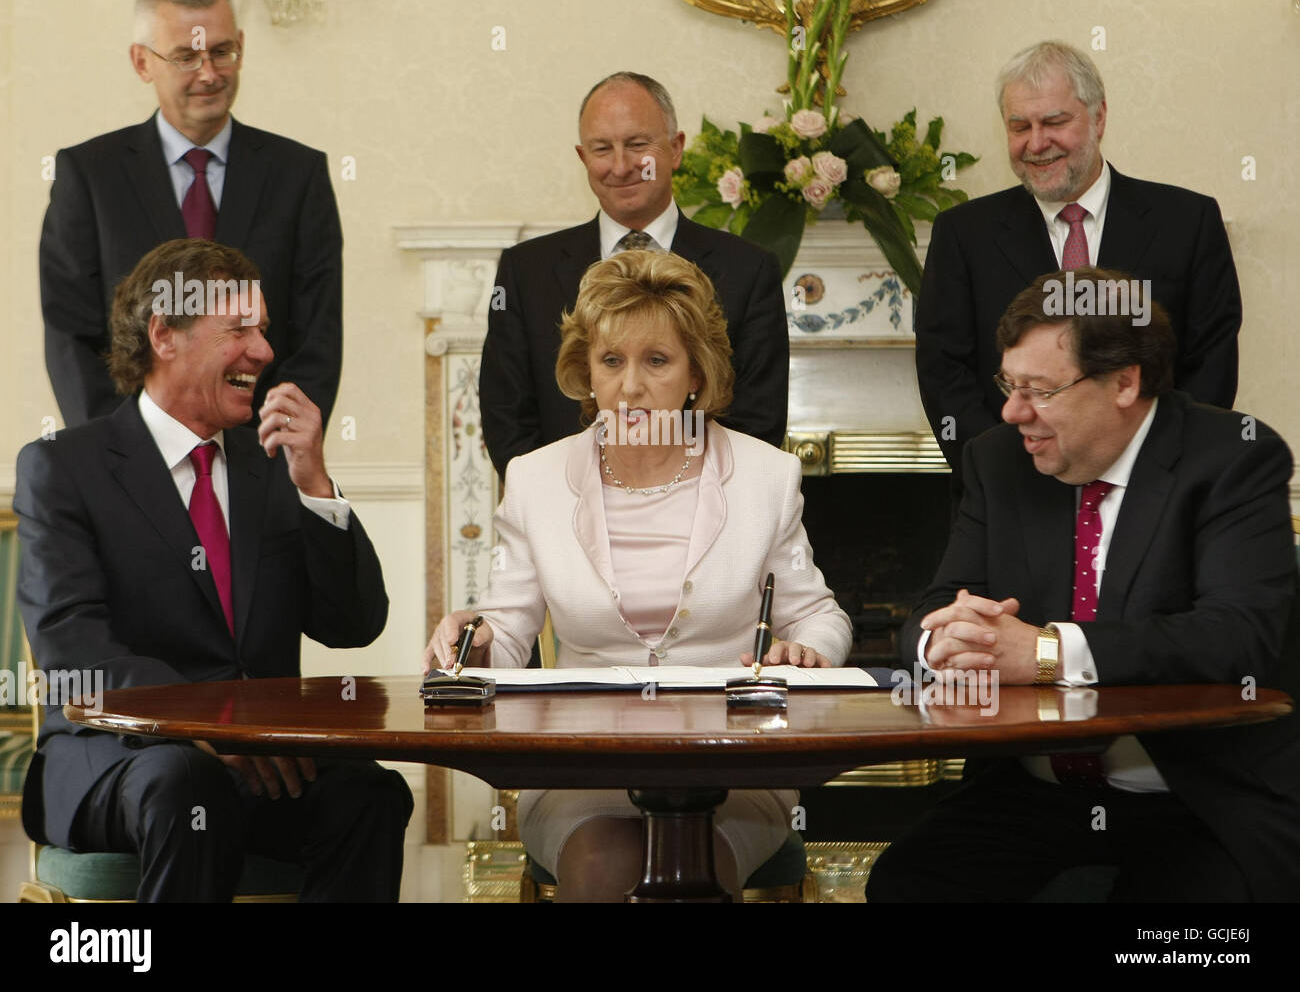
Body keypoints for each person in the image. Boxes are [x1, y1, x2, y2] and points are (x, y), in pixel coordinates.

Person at [427, 249, 849, 901]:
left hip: (731, 764)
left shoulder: (766, 476)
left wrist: (806, 650)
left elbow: (821, 615)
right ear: (585, 372)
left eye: (657, 360)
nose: (630, 386)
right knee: (601, 863)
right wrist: (476, 641)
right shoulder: (536, 480)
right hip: (579, 763)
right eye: (611, 361)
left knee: (694, 862)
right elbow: (507, 628)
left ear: (696, 374)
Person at [867, 268, 1299, 902]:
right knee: (906, 886)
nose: (1015, 412)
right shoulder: (999, 461)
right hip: (1035, 790)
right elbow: (935, 607)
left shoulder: (1232, 459)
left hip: (1196, 794)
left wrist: (1044, 654)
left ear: (1126, 382)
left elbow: (1237, 638)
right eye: (1009, 386)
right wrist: (946, 643)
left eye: (1039, 390)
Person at [15, 238, 411, 902]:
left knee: (370, 793)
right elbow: (70, 645)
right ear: (165, 335)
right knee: (186, 783)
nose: (262, 350)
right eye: (240, 329)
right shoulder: (65, 468)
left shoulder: (275, 465)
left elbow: (355, 623)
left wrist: (314, 481)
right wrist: (212, 726)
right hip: (116, 754)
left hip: (260, 760)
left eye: (264, 330)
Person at [915, 40, 1241, 492]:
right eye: (1019, 126)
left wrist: (1152, 474)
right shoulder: (962, 234)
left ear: (1099, 117)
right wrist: (1009, 473)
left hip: (1155, 495)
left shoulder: (1187, 222)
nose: (1036, 143)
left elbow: (1212, 364)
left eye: (1054, 122)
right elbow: (943, 371)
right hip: (1010, 498)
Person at [41, 0, 343, 428]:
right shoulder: (89, 175)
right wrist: (118, 455)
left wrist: (279, 445)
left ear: (240, 46)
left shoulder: (298, 175)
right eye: (186, 56)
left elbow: (316, 336)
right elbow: (72, 336)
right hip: (126, 463)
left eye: (222, 52)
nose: (209, 74)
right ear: (143, 63)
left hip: (260, 459)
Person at [479, 71, 789, 480]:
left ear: (676, 149)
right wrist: (559, 503)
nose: (621, 166)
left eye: (638, 145)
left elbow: (758, 423)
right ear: (583, 157)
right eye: (602, 148)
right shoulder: (523, 271)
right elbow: (507, 419)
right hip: (565, 517)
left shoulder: (750, 269)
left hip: (707, 517)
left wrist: (683, 501)